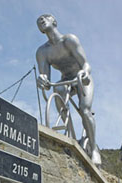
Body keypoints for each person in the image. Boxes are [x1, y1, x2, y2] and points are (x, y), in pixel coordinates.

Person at [36, 14, 101, 165]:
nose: (42, 20)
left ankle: (93, 149)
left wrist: (84, 72)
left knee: (85, 110)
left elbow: (86, 65)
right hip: (66, 80)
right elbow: (45, 78)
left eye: (45, 17)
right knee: (58, 88)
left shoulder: (69, 40)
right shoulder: (42, 52)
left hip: (81, 77)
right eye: (39, 20)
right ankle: (68, 131)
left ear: (54, 21)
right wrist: (42, 80)